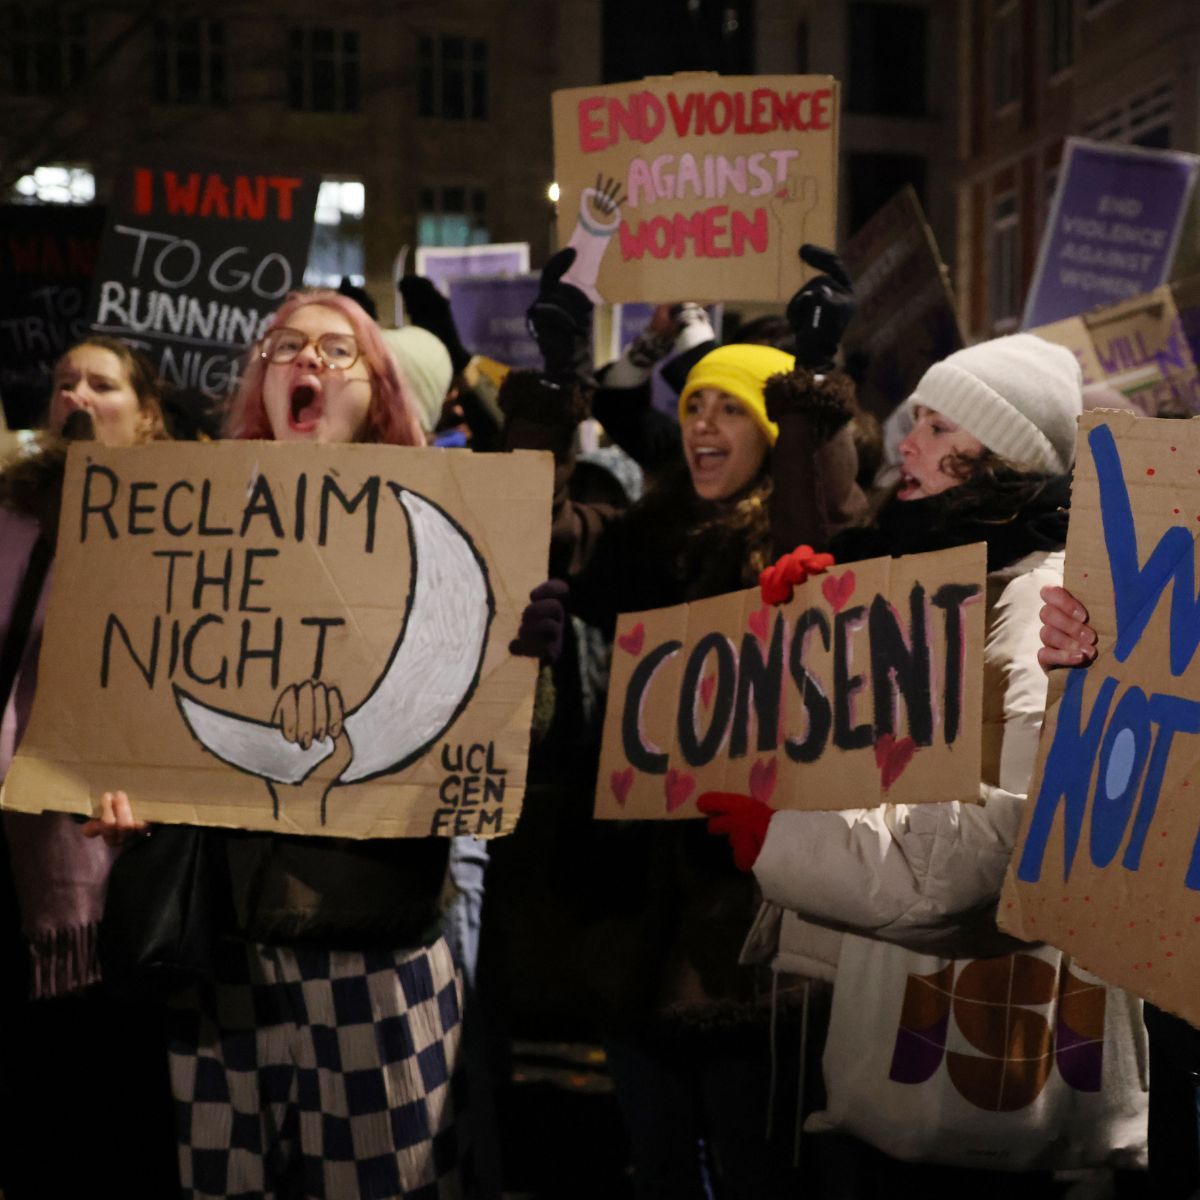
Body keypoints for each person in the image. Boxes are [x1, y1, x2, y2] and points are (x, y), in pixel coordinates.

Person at [87, 289, 561, 1200]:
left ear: (377, 388)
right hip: (219, 952)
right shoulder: (189, 518)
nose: (308, 362)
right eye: (287, 347)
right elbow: (149, 701)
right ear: (260, 380)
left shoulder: (448, 521)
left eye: (337, 351)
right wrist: (125, 794)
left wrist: (520, 664)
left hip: (371, 943)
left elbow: (507, 744)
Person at [700, 333, 1149, 1191]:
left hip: (987, 1083)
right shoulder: (942, 576)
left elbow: (998, 849)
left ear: (1005, 457)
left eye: (940, 429)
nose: (908, 445)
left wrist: (786, 839)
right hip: (910, 1042)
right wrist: (813, 632)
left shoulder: (1036, 598)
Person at [501, 247, 866, 1198]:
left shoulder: (790, 546)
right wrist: (552, 385)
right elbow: (512, 525)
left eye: (732, 409)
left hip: (746, 920)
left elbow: (819, 535)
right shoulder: (640, 534)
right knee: (658, 1165)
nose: (704, 422)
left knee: (757, 1170)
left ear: (769, 433)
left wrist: (814, 389)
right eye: (695, 404)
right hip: (630, 924)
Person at [0, 336, 178, 1199]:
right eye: (64, 382)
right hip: (17, 845)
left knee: (112, 1107)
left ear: (146, 418)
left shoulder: (185, 525)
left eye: (101, 385)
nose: (75, 394)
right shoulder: (13, 519)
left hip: (121, 863)